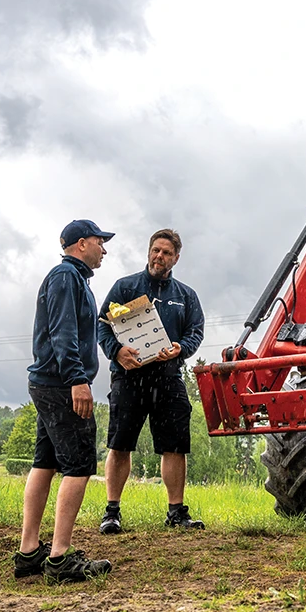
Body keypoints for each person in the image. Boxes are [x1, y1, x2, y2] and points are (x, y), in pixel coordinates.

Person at [14, 219, 115, 584]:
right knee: (79, 465)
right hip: (61, 385)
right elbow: (63, 332)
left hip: (49, 384)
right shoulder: (66, 277)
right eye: (100, 242)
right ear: (82, 243)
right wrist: (78, 380)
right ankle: (60, 558)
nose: (104, 249)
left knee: (45, 462)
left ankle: (29, 553)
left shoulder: (75, 280)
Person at [97, 228, 206, 533]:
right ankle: (112, 512)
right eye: (156, 250)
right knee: (120, 444)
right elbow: (102, 326)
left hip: (169, 377)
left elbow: (196, 332)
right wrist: (116, 351)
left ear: (176, 258)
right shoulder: (125, 287)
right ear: (148, 252)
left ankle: (176, 512)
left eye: (167, 253)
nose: (160, 256)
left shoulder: (186, 296)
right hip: (128, 376)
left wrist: (181, 348)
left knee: (175, 446)